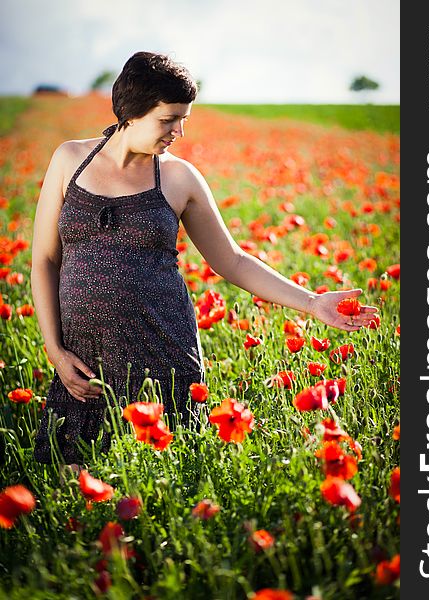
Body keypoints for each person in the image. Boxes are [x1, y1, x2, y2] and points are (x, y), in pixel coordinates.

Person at [31, 51, 377, 477]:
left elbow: (231, 260)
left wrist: (312, 303)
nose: (179, 131)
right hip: (85, 362)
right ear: (131, 112)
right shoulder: (69, 160)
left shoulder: (179, 178)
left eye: (184, 119)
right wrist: (55, 350)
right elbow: (45, 260)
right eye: (168, 119)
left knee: (155, 489)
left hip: (160, 357)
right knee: (72, 491)